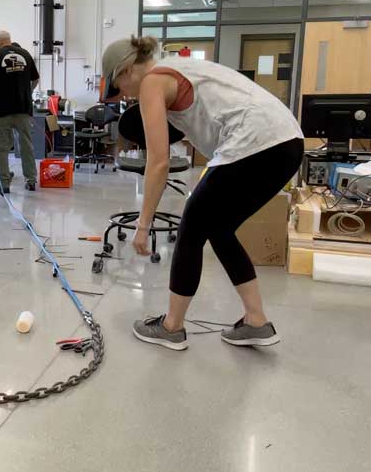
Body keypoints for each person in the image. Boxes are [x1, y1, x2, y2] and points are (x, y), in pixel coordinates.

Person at [101, 36, 304, 350]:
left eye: (119, 87)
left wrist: (143, 225)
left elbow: (158, 162)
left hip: (254, 140)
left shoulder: (152, 82)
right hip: (287, 143)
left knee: (192, 225)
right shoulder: (181, 68)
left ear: (126, 70)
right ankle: (256, 321)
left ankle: (171, 327)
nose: (125, 96)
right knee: (219, 229)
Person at [0, 30, 40, 193]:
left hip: (3, 110)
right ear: (9, 39)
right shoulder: (26, 54)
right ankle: (31, 180)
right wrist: (27, 91)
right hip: (23, 109)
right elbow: (36, 78)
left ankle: (4, 183)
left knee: (1, 148)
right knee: (26, 145)